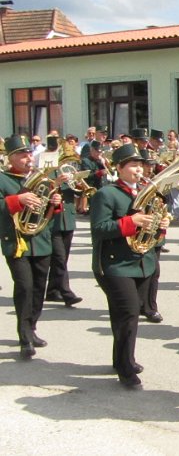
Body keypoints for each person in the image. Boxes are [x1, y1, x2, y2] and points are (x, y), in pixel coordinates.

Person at [90, 144, 167, 388]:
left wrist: (161, 225)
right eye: (133, 165)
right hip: (114, 265)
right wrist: (130, 222)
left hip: (141, 263)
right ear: (119, 168)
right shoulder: (107, 194)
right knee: (129, 313)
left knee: (124, 316)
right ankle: (125, 369)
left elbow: (153, 233)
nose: (138, 169)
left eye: (140, 164)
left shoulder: (146, 192)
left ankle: (122, 359)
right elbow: (99, 229)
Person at [0, 135, 66, 358]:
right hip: (17, 242)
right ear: (10, 158)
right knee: (25, 287)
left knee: (39, 287)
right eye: (21, 154)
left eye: (29, 153)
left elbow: (46, 206)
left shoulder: (39, 178)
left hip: (40, 240)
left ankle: (32, 327)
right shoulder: (2, 179)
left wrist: (54, 203)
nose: (27, 157)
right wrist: (18, 200)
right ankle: (24, 335)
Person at [45, 139, 84, 307]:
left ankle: (53, 291)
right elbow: (43, 192)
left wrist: (79, 184)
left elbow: (76, 193)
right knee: (59, 258)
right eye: (66, 159)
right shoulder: (49, 172)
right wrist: (56, 183)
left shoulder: (71, 172)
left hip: (68, 219)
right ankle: (66, 292)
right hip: (53, 221)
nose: (69, 163)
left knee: (62, 258)